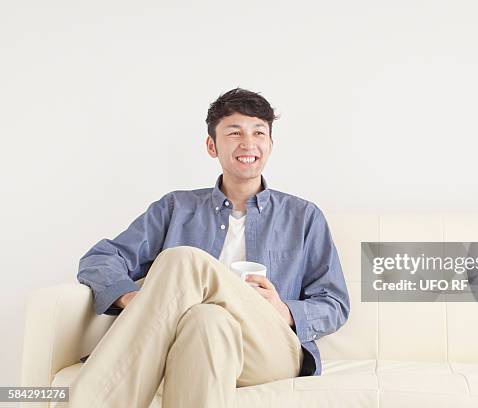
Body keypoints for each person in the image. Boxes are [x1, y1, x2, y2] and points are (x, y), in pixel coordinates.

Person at [68, 88, 350, 407]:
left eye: (259, 132)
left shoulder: (303, 216)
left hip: (269, 348)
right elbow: (101, 258)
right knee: (206, 319)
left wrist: (283, 309)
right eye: (234, 132)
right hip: (194, 337)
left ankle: (97, 399)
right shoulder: (176, 208)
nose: (248, 143)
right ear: (211, 146)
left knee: (184, 259)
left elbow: (335, 303)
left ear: (270, 144)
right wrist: (136, 298)